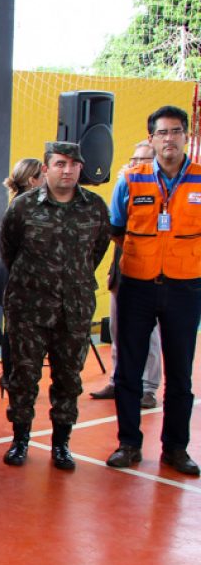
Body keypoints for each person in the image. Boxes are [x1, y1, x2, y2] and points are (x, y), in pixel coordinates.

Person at [0, 142, 110, 470]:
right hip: (28, 308)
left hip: (73, 310)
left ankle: (61, 444)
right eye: (60, 164)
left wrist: (71, 280)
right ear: (46, 169)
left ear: (80, 168)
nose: (67, 170)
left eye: (74, 164)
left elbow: (98, 250)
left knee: (68, 378)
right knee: (23, 376)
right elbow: (9, 249)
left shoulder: (95, 207)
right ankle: (20, 440)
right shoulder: (23, 206)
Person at [106, 106, 201, 476]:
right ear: (151, 139)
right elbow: (116, 229)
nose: (169, 138)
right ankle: (128, 444)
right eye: (162, 132)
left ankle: (175, 449)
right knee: (128, 371)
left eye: (176, 131)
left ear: (185, 136)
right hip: (138, 286)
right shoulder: (131, 179)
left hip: (185, 288)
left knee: (180, 375)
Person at [90, 140, 162, 408]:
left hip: (152, 274)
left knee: (149, 333)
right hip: (123, 270)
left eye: (143, 160)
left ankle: (149, 387)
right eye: (133, 159)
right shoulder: (126, 188)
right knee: (117, 328)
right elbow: (114, 228)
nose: (136, 164)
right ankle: (118, 380)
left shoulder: (162, 193)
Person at [0, 158, 43, 394]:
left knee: (15, 329)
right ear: (33, 180)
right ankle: (10, 377)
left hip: (16, 272)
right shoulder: (24, 206)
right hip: (16, 274)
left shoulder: (25, 203)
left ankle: (11, 376)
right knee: (14, 330)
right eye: (43, 175)